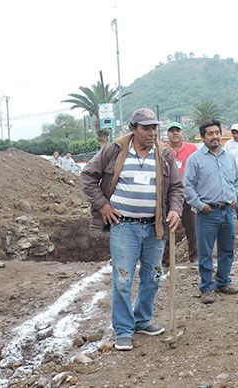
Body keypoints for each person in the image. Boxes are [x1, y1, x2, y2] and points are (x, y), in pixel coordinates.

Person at [81, 108, 184, 351]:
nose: (152, 132)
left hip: (154, 226)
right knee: (123, 278)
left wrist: (175, 209)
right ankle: (124, 329)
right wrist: (102, 205)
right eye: (146, 128)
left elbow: (176, 188)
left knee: (153, 276)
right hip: (123, 225)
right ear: (134, 128)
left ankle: (142, 319)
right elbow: (87, 176)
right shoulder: (115, 150)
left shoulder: (164, 154)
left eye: (154, 127)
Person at [184, 119, 238, 304]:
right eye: (210, 133)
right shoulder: (195, 159)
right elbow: (188, 186)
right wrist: (200, 205)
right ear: (202, 137)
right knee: (206, 252)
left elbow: (236, 181)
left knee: (227, 249)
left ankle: (223, 282)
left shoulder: (229, 157)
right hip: (207, 213)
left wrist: (236, 196)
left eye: (217, 132)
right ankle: (207, 287)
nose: (215, 136)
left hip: (227, 211)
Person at [162, 121, 198, 267]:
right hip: (168, 196)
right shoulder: (163, 151)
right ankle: (166, 261)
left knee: (192, 227)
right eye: (172, 131)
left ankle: (195, 258)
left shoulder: (192, 149)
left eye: (177, 130)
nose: (175, 133)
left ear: (182, 133)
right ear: (168, 134)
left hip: (188, 194)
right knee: (167, 229)